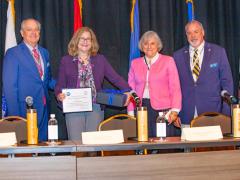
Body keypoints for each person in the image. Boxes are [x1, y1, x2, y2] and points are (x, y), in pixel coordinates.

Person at [55, 27, 131, 140]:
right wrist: (59, 95)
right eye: (82, 38)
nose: (85, 42)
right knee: (77, 144)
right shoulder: (66, 60)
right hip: (73, 106)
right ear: (76, 41)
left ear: (92, 42)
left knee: (93, 144)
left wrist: (129, 91)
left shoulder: (100, 60)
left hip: (95, 107)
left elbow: (115, 78)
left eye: (88, 39)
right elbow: (60, 85)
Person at [3, 18, 56, 141]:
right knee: (25, 149)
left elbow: (47, 80)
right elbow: (9, 87)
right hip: (23, 110)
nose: (33, 32)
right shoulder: (13, 53)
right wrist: (15, 116)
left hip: (44, 108)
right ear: (22, 33)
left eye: (36, 29)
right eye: (29, 30)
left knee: (42, 145)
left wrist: (65, 87)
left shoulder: (44, 53)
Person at [173, 20, 234, 126]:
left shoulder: (218, 52)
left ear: (203, 32)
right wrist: (174, 112)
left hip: (213, 113)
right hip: (186, 115)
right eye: (189, 33)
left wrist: (226, 113)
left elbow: (227, 83)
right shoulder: (177, 56)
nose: (193, 36)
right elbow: (173, 87)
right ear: (186, 35)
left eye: (196, 32)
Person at [128, 31, 182, 137]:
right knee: (143, 146)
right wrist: (130, 111)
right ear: (141, 46)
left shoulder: (168, 61)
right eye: (146, 43)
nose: (149, 46)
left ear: (158, 46)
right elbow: (130, 89)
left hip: (164, 111)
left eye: (152, 43)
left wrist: (175, 110)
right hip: (141, 109)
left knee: (162, 147)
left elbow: (175, 87)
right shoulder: (135, 63)